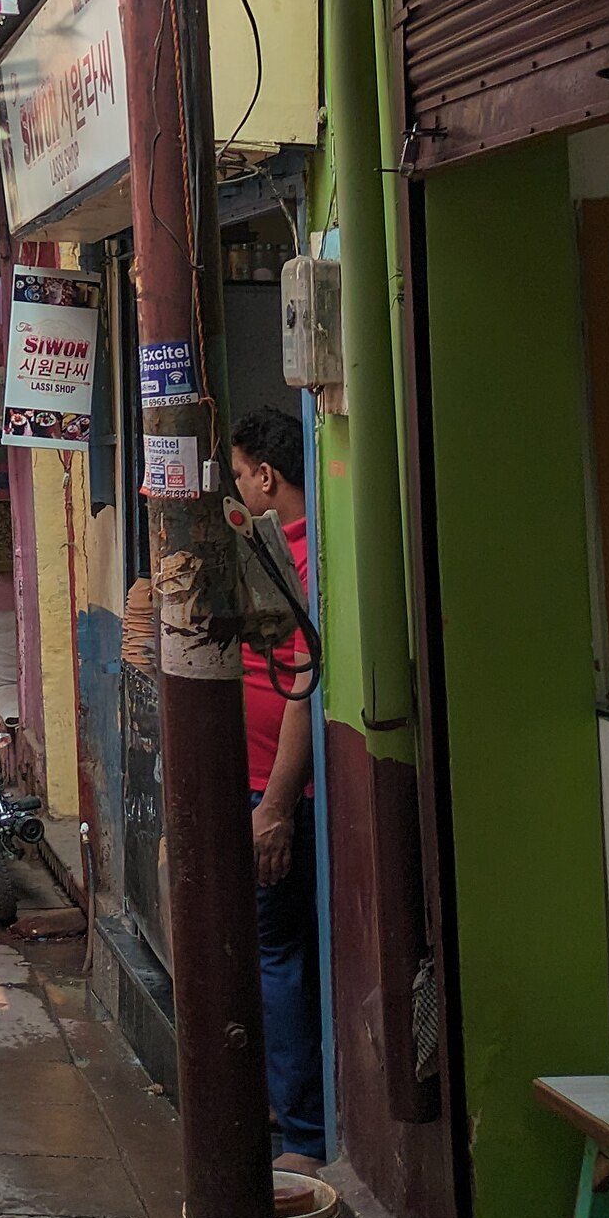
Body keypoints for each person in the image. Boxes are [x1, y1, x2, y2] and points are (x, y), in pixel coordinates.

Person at [230, 404, 326, 1175]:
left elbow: (303, 689)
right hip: (265, 788)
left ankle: (302, 1135)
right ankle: (285, 1103)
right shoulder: (269, 552)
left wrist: (276, 807)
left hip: (280, 795)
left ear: (267, 476)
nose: (238, 489)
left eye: (239, 475)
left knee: (278, 957)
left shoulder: (300, 560)